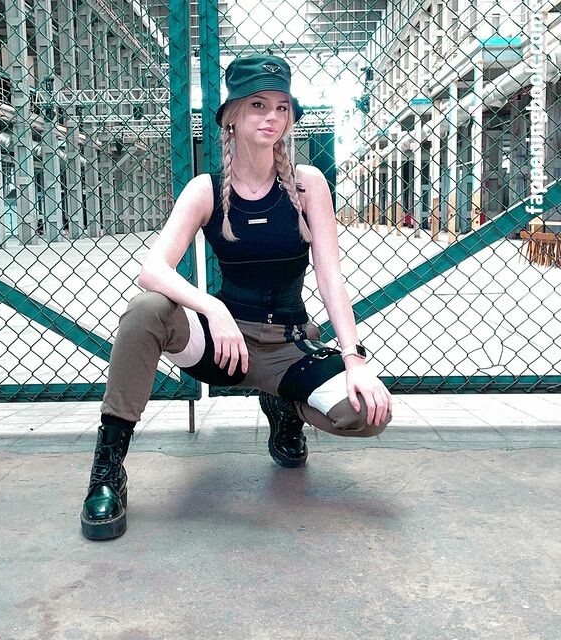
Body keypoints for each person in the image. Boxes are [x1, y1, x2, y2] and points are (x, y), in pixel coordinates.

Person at [80, 54, 393, 541]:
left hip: (289, 345)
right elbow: (151, 270)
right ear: (231, 117)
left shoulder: (308, 184)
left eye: (282, 107)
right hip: (224, 346)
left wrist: (354, 359)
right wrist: (213, 308)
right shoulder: (206, 189)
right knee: (147, 310)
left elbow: (331, 277)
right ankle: (108, 469)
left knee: (369, 412)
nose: (272, 117)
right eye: (257, 105)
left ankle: (283, 405)